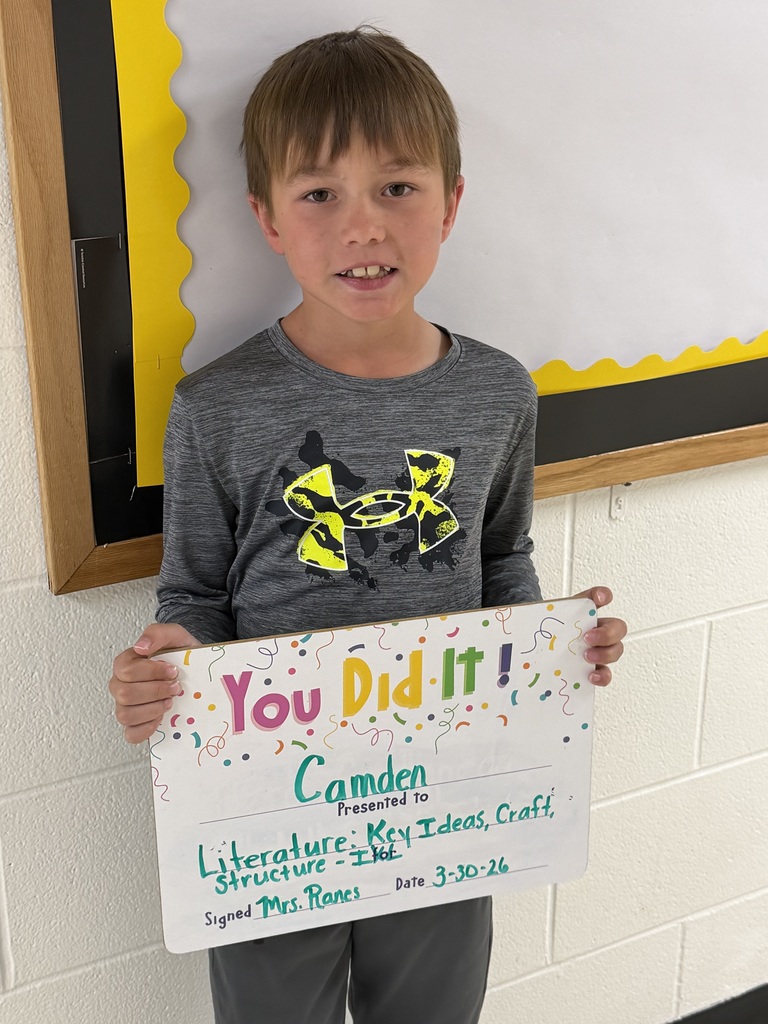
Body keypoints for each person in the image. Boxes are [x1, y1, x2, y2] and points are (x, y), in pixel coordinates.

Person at [109, 26, 627, 1024]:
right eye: (319, 194)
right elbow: (193, 598)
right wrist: (167, 669)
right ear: (265, 217)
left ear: (451, 202)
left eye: (397, 187)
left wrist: (552, 646)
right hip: (273, 807)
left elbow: (500, 558)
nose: (363, 228)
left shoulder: (496, 394)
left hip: (443, 798)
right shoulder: (216, 406)